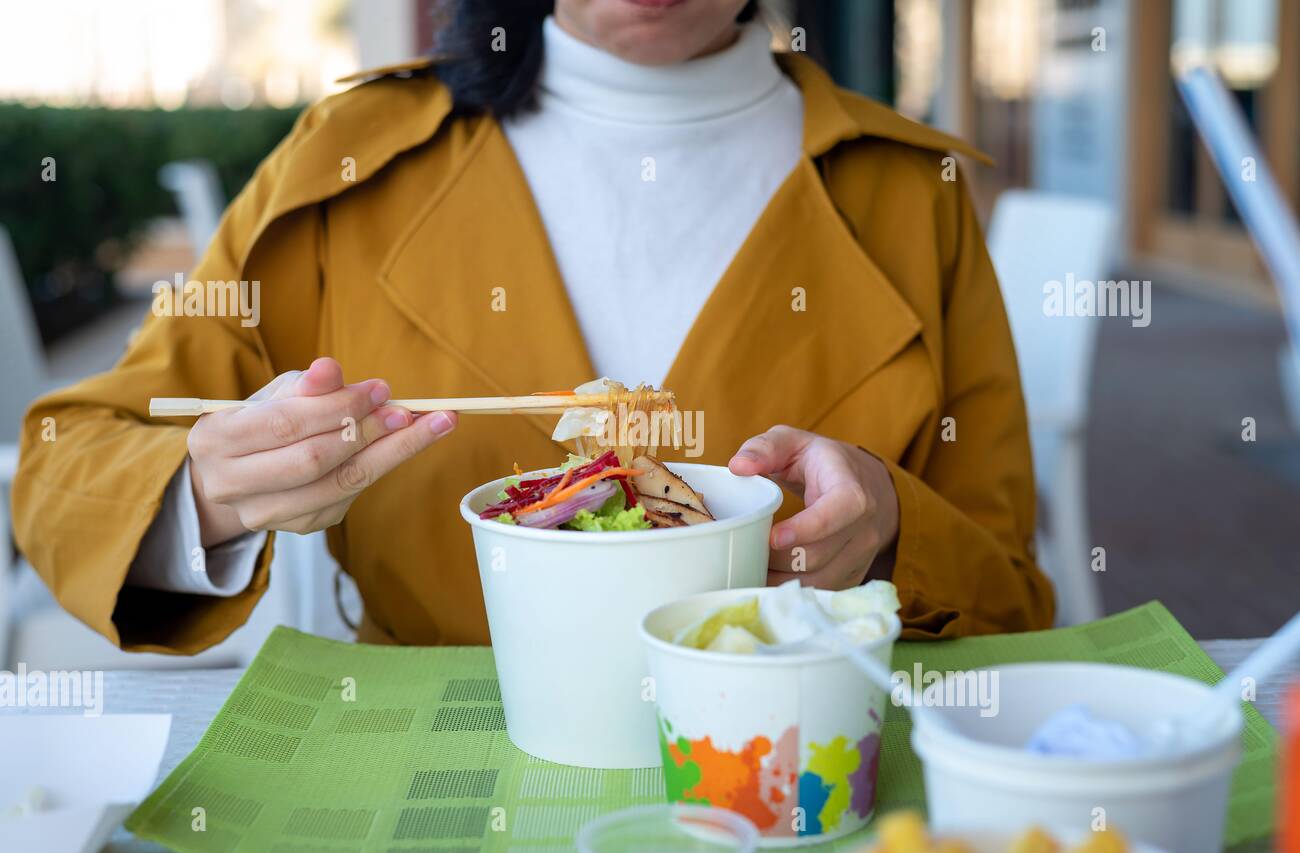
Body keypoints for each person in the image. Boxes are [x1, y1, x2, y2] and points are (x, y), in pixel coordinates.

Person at [13, 0, 1053, 653]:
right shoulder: (346, 160)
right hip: (427, 762)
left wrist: (888, 527)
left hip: (787, 771)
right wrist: (203, 494)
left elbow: (1008, 587)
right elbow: (64, 464)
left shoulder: (915, 193)